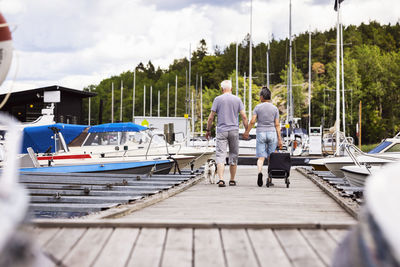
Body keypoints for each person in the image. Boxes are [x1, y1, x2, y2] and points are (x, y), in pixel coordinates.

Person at [205, 80, 248, 187]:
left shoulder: (217, 99)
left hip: (221, 131)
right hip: (234, 130)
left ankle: (221, 179)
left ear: (221, 89)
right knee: (234, 154)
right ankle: (232, 180)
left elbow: (211, 117)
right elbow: (244, 116)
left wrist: (208, 130)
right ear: (231, 89)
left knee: (220, 155)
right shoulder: (237, 99)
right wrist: (247, 130)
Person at [243, 86, 282, 187]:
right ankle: (269, 178)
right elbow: (277, 125)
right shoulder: (275, 108)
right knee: (271, 158)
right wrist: (280, 140)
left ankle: (260, 172)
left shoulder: (257, 107)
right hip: (272, 133)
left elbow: (252, 121)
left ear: (262, 97)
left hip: (261, 133)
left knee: (261, 157)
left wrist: (247, 132)